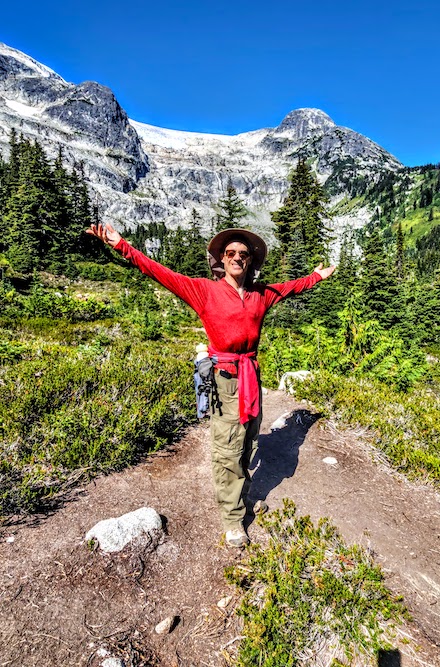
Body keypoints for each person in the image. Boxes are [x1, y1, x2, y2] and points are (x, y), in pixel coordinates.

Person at [86, 222, 335, 547]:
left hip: (251, 376)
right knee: (227, 447)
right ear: (222, 258)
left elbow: (290, 287)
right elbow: (158, 272)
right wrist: (121, 245)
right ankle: (232, 519)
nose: (237, 257)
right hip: (223, 378)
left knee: (248, 441)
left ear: (250, 260)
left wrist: (316, 277)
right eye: (230, 252)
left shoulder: (261, 295)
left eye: (243, 253)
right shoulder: (204, 290)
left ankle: (242, 497)